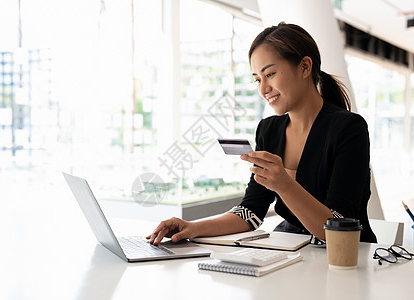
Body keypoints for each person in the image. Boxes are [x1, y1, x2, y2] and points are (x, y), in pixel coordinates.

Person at [147, 22, 377, 245]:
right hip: (294, 252)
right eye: (257, 78)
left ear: (305, 67)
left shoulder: (349, 128)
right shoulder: (269, 129)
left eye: (270, 74)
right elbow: (251, 211)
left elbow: (339, 226)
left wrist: (284, 184)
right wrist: (192, 227)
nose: (263, 88)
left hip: (346, 259)